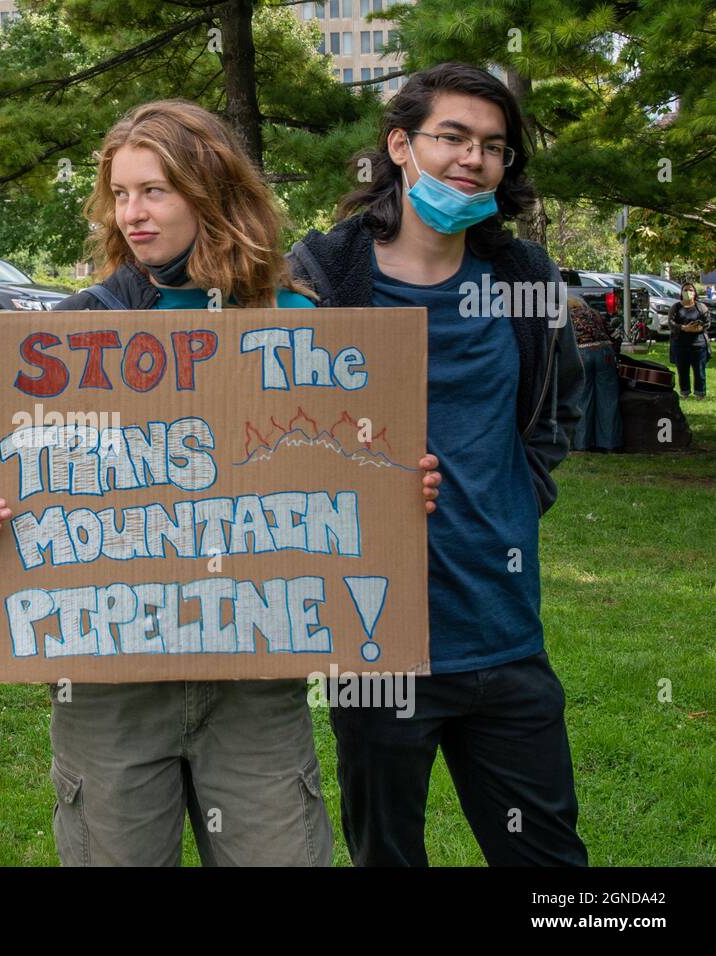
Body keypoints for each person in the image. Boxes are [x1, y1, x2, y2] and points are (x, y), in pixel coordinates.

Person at [0, 100, 441, 866]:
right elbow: (36, 482)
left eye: (154, 191)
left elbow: (344, 469)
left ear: (210, 189)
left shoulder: (296, 318)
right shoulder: (78, 333)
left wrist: (393, 492)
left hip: (254, 679)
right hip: (111, 684)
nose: (133, 215)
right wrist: (2, 515)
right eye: (119, 195)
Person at [286, 62, 587, 867]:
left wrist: (515, 502)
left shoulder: (525, 280)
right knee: (386, 855)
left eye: (493, 146)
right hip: (375, 640)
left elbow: (554, 414)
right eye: (451, 137)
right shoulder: (321, 279)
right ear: (400, 146)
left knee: (551, 867)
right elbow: (264, 425)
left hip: (504, 633)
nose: (472, 158)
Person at [569, 296, 623, 451]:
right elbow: (615, 335)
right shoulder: (595, 313)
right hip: (605, 352)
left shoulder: (566, 316)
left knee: (583, 398)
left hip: (582, 353)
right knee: (608, 399)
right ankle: (610, 443)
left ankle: (582, 443)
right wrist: (616, 354)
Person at [669, 282, 710, 399]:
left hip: (698, 344)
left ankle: (700, 393)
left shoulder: (701, 307)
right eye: (685, 290)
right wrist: (684, 328)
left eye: (691, 290)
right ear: (681, 293)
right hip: (680, 344)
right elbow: (671, 323)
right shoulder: (676, 307)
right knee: (682, 371)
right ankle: (684, 392)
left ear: (695, 293)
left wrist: (698, 328)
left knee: (699, 371)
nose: (688, 292)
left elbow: (707, 322)